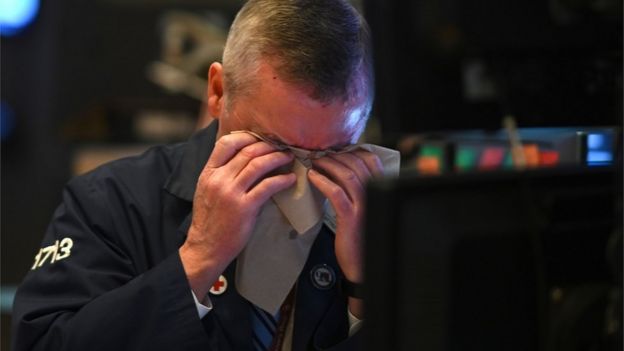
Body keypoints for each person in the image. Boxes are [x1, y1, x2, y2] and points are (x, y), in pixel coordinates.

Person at [12, 0, 385, 350]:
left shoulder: (384, 214)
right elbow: (43, 342)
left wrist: (368, 288)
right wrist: (198, 258)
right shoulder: (110, 200)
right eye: (274, 145)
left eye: (333, 152)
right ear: (219, 91)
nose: (300, 175)